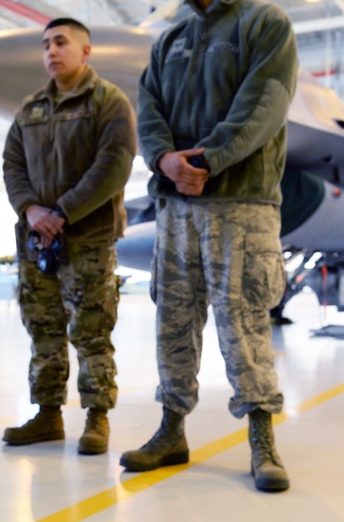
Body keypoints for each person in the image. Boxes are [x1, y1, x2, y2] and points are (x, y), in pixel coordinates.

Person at [121, 0, 298, 492]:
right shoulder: (171, 38)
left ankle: (262, 437)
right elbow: (149, 106)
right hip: (176, 205)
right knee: (173, 319)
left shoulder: (264, 23)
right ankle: (171, 430)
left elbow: (265, 101)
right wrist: (163, 160)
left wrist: (207, 160)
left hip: (241, 202)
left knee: (243, 321)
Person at [1, 18, 137, 456]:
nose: (51, 51)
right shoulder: (30, 109)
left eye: (60, 42)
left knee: (92, 330)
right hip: (37, 242)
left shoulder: (109, 103)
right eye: (45, 45)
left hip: (89, 242)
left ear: (86, 51)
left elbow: (114, 166)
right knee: (43, 329)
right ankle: (47, 415)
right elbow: (12, 165)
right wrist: (31, 209)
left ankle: (97, 417)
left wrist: (63, 212)